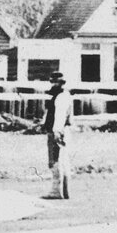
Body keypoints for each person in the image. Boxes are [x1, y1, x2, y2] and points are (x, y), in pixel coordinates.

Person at [40, 71, 74, 200]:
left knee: (55, 160)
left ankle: (56, 190)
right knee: (63, 161)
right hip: (63, 130)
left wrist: (57, 131)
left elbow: (60, 116)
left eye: (55, 82)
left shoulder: (60, 97)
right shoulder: (64, 96)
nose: (53, 84)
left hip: (58, 131)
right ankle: (65, 191)